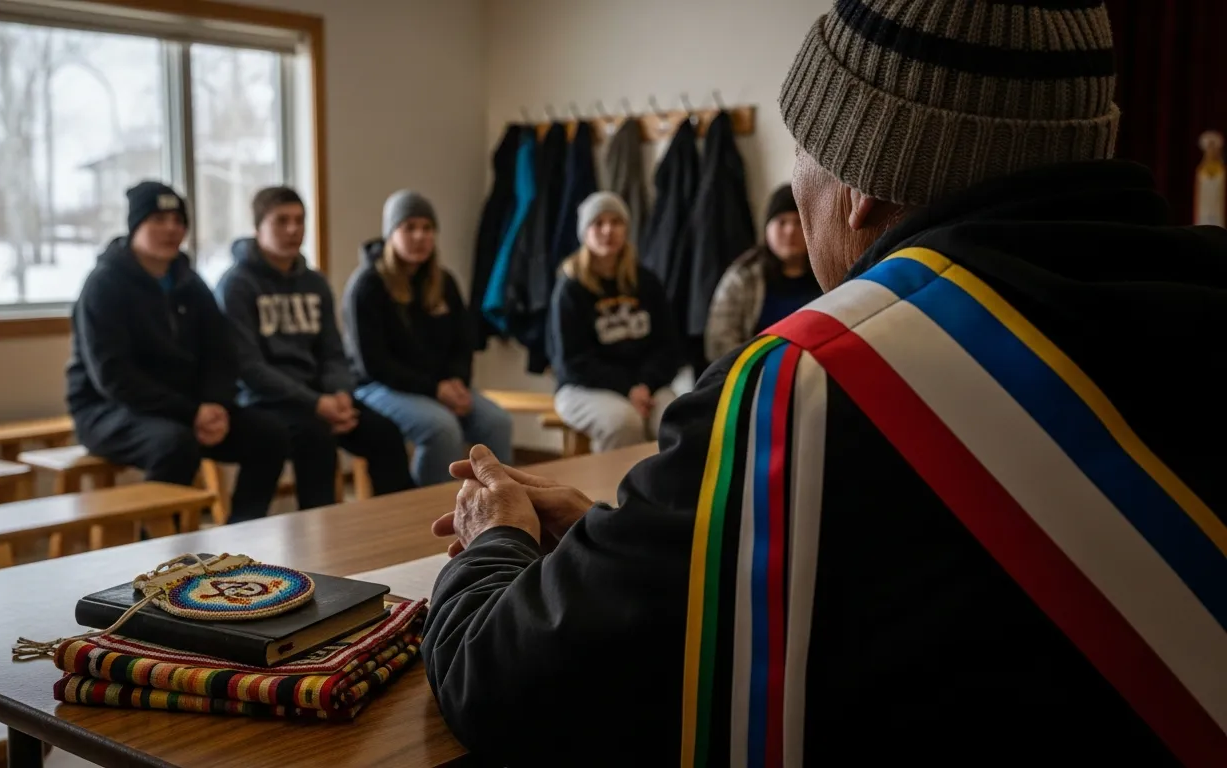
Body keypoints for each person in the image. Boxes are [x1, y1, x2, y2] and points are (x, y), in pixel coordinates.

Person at [421, 2, 1227, 766]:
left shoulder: (804, 388)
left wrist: (498, 538)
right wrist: (646, 539)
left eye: (802, 146)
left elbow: (501, 681)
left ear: (862, 180)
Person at [66, 181, 292, 524]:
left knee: (270, 434)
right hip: (107, 410)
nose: (171, 229)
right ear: (135, 226)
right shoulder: (104, 285)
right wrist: (191, 412)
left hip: (188, 409)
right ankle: (158, 548)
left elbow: (221, 354)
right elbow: (114, 377)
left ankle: (240, 534)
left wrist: (215, 404)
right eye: (158, 220)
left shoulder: (190, 283)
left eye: (178, 220)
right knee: (174, 444)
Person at [213, 186, 414, 509]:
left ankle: (397, 522)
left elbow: (333, 351)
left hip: (321, 398)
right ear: (258, 228)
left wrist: (339, 394)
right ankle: (318, 532)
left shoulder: (314, 282)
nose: (293, 229)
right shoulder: (236, 285)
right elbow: (249, 367)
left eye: (299, 220)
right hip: (266, 401)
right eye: (282, 221)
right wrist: (317, 404)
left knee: (384, 433)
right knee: (315, 438)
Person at [343, 190, 513, 486]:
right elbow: (375, 363)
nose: (420, 236)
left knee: (497, 422)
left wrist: (457, 382)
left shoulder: (444, 282)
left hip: (440, 386)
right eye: (409, 228)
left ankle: (499, 501)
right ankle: (431, 506)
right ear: (391, 233)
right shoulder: (367, 285)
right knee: (441, 428)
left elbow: (463, 343)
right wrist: (435, 390)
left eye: (427, 228)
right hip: (379, 386)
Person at [548, 192, 681, 451]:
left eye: (616, 222)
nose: (608, 230)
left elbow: (668, 347)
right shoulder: (570, 288)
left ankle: (665, 479)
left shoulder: (646, 282)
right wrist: (628, 388)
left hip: (647, 385)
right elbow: (572, 361)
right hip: (583, 387)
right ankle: (616, 480)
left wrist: (645, 385)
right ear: (585, 232)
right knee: (623, 422)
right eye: (598, 223)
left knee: (675, 419)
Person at [703, 183, 821, 363]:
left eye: (798, 222)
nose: (790, 230)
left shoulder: (828, 274)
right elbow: (719, 341)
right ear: (767, 228)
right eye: (782, 222)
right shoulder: (742, 276)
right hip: (755, 371)